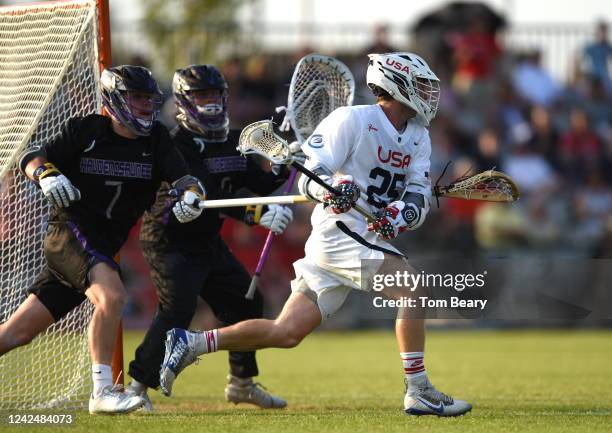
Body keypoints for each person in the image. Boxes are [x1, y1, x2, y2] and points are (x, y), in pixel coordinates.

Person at [159, 53, 473, 417]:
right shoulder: (351, 120)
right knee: (412, 287)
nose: (426, 93)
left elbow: (417, 193)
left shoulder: (418, 136)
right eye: (419, 85)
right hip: (339, 233)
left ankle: (192, 342)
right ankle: (419, 390)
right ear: (395, 84)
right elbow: (309, 177)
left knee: (286, 332)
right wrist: (334, 188)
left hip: (360, 236)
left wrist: (400, 215)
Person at [0, 65, 205, 414]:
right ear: (115, 99)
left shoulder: (156, 139)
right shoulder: (86, 130)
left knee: (16, 334)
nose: (144, 106)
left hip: (98, 248)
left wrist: (191, 197)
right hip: (70, 234)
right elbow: (30, 157)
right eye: (136, 98)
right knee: (112, 297)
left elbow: (185, 179)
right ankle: (102, 392)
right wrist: (45, 174)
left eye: (148, 99)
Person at [125, 65, 297, 410]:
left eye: (216, 94)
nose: (212, 102)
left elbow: (257, 184)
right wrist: (257, 214)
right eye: (202, 95)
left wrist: (283, 165)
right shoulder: (176, 145)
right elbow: (209, 193)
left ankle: (241, 384)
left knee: (247, 303)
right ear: (184, 101)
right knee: (178, 310)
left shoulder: (232, 141)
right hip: (169, 239)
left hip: (206, 242)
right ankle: (135, 389)